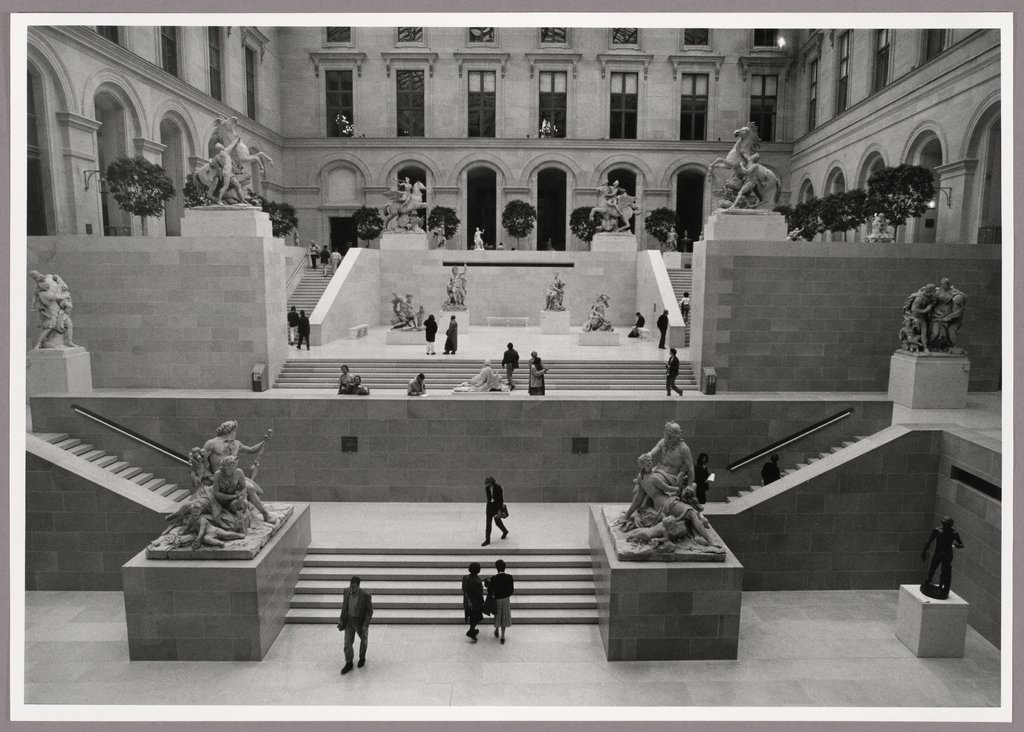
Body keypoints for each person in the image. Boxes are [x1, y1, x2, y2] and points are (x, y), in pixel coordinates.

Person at [337, 576, 373, 674]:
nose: (351, 589)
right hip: (349, 622)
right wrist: (341, 620)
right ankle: (349, 662)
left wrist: (366, 624)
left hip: (360, 622)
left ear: (358, 586)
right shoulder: (346, 592)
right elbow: (344, 607)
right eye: (350, 586)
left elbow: (369, 611)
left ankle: (362, 657)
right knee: (347, 643)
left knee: (364, 640)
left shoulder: (365, 595)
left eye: (353, 586)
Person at [921, 517, 964, 598]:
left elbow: (961, 544)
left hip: (948, 555)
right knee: (932, 568)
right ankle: (929, 579)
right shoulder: (937, 531)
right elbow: (929, 541)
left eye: (947, 525)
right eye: (944, 524)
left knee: (944, 571)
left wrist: (956, 545)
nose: (945, 526)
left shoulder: (953, 533)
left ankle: (941, 586)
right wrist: (924, 552)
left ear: (950, 525)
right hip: (938, 553)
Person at [485, 559, 514, 644]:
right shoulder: (509, 577)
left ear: (497, 568)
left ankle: (496, 629)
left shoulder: (494, 578)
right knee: (504, 616)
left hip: (497, 599)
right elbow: (511, 590)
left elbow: (490, 590)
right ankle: (503, 635)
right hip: (505, 600)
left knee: (497, 615)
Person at [482, 475, 508, 546]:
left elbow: (501, 500)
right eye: (487, 483)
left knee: (498, 522)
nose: (487, 484)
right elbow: (489, 498)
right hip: (490, 507)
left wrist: (499, 510)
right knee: (488, 524)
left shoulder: (498, 488)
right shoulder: (487, 488)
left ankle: (505, 531)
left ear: (492, 482)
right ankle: (487, 540)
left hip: (496, 507)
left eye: (488, 483)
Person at [462, 562, 485, 641]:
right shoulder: (477, 580)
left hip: (468, 601)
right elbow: (479, 593)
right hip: (476, 602)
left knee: (471, 616)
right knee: (475, 617)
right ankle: (471, 631)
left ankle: (472, 629)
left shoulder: (465, 578)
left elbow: (465, 590)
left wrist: (468, 601)